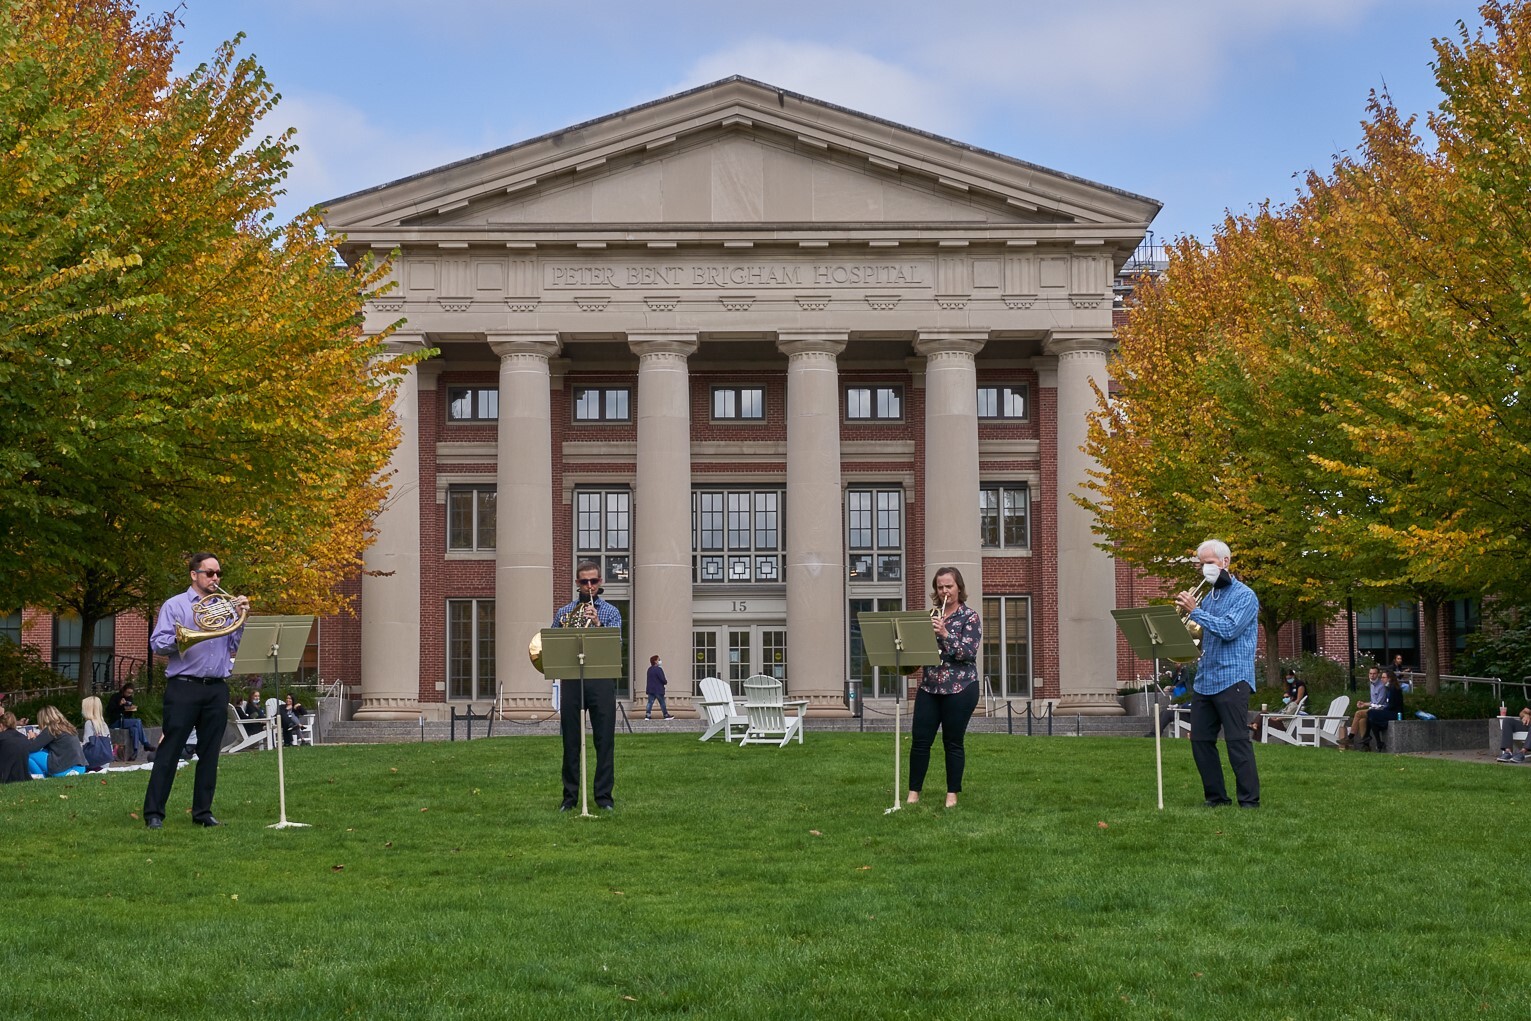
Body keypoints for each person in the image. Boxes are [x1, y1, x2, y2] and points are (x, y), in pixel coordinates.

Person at [142, 552, 249, 829]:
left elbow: (234, 643)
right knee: (170, 750)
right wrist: (185, 635)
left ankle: (203, 813)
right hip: (184, 687)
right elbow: (158, 644)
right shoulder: (175, 605)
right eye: (210, 573)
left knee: (210, 753)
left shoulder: (224, 607)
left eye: (218, 574)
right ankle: (154, 813)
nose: (215, 578)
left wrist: (241, 616)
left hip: (216, 689)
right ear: (194, 575)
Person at [1174, 539, 1261, 808]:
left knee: (1236, 741)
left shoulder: (1245, 595)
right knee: (1200, 740)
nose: (1205, 569)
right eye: (1201, 564)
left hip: (1234, 677)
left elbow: (1228, 630)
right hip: (1205, 678)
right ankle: (1216, 798)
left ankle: (1249, 801)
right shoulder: (1208, 596)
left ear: (1226, 562)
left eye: (1209, 563)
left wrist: (1195, 612)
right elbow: (1198, 635)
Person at [907, 566, 982, 809]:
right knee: (920, 742)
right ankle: (913, 793)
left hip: (961, 687)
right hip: (930, 687)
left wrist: (945, 633)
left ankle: (952, 794)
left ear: (958, 587)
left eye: (948, 586)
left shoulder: (970, 617)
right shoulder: (931, 614)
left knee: (953, 742)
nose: (944, 591)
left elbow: (968, 653)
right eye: (940, 587)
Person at [553, 560, 623, 811]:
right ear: (577, 584)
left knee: (604, 742)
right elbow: (553, 646)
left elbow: (616, 646)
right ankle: (569, 798)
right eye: (585, 582)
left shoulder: (611, 612)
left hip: (601, 681)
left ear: (600, 582)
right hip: (572, 680)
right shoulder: (563, 612)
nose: (590, 586)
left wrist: (597, 625)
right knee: (570, 742)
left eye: (594, 581)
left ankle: (604, 798)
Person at [27, 705, 88, 778]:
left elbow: (31, 748)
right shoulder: (68, 727)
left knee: (27, 755)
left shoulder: (51, 729)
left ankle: (40, 778)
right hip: (80, 769)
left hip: (62, 770)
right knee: (44, 752)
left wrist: (31, 738)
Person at [1340, 667, 1389, 750]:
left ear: (1378, 674)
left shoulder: (1382, 687)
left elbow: (1379, 704)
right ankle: (1365, 745)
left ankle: (1350, 737)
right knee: (1362, 721)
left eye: (1374, 673)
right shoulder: (1372, 685)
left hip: (1380, 711)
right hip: (1373, 709)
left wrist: (1367, 706)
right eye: (1370, 673)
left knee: (1358, 713)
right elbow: (1373, 702)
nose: (1372, 675)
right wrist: (1364, 704)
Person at [106, 682, 155, 760]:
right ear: (124, 690)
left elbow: (128, 715)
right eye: (128, 692)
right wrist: (119, 704)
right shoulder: (115, 697)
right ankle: (145, 744)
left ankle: (135, 753)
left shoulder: (129, 699)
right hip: (115, 721)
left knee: (135, 729)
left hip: (125, 720)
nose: (129, 694)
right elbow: (109, 710)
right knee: (137, 721)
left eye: (131, 693)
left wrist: (130, 709)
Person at [1359, 670, 1405, 752]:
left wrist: (1382, 709)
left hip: (1395, 714)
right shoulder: (1389, 688)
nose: (1382, 679)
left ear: (1389, 678)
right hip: (1390, 711)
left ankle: (1367, 736)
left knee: (1371, 713)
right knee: (1372, 720)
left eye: (1384, 678)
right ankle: (1378, 743)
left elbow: (1392, 705)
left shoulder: (1394, 689)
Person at [0, 711, 51, 783]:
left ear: (1, 725)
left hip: (4, 776)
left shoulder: (2, 738)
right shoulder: (22, 737)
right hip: (22, 776)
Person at [80, 695, 115, 771]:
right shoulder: (103, 723)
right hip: (105, 762)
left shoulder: (89, 723)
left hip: (94, 762)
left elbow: (87, 743)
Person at [643, 655, 674, 721]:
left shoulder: (649, 669)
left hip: (651, 689)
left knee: (650, 703)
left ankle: (647, 715)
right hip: (658, 689)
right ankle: (666, 715)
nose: (660, 661)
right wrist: (665, 682)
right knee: (662, 703)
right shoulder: (659, 669)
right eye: (658, 659)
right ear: (655, 661)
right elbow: (662, 679)